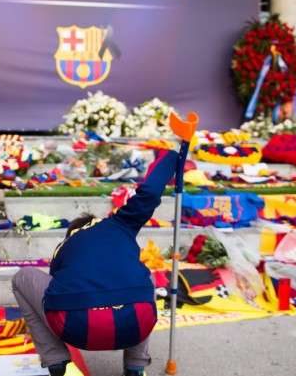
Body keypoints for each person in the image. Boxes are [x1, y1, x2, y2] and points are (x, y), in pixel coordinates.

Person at [12, 149, 178, 376]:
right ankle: (135, 366)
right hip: (136, 324)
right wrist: (172, 157)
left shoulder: (64, 247)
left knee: (22, 277)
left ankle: (56, 360)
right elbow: (149, 193)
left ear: (73, 232)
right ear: (98, 222)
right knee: (144, 275)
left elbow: (54, 292)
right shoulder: (121, 224)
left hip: (76, 328)